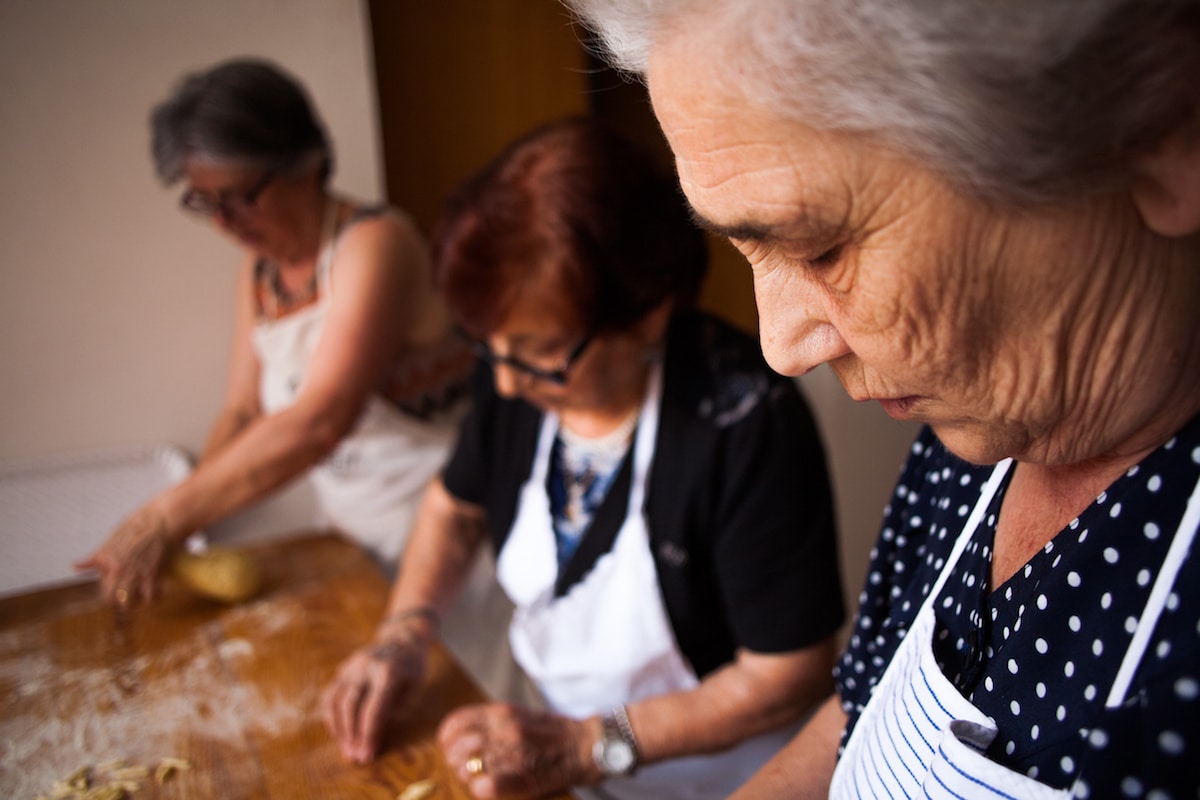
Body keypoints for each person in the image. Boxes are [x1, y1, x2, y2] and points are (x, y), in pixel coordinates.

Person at [564, 1, 1200, 797]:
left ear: (1163, 128)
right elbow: (858, 708)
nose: (782, 347)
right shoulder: (970, 433)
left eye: (820, 247)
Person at [321, 116, 844, 800]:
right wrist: (405, 631)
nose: (505, 383)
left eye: (540, 356)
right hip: (566, 767)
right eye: (491, 349)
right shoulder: (514, 371)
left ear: (649, 313)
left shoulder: (746, 421)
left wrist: (588, 745)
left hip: (724, 780)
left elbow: (787, 674)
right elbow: (454, 506)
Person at [76, 58, 473, 603]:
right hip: (352, 539)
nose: (223, 223)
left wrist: (165, 517)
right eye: (204, 202)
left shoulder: (375, 244)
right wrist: (187, 528)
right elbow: (242, 412)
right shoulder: (260, 271)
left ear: (303, 167)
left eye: (238, 197)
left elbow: (321, 419)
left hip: (446, 542)